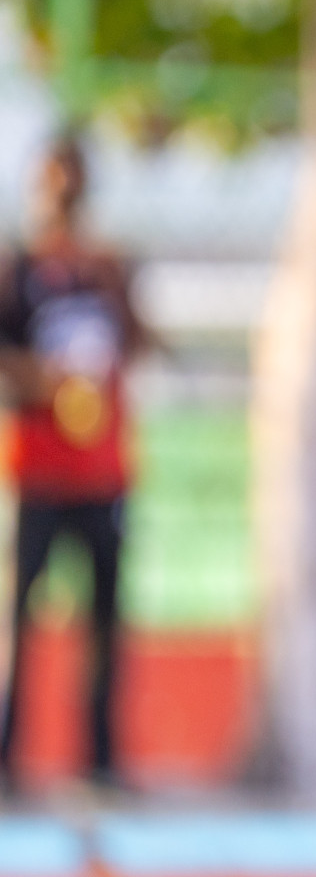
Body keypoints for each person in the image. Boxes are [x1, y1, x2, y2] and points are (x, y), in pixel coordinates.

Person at [0, 133, 149, 794]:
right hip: (37, 473)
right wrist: (50, 380)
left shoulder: (108, 266)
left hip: (103, 473)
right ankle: (7, 759)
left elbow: (140, 342)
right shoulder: (18, 268)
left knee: (106, 625)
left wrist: (123, 291)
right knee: (17, 618)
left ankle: (103, 761)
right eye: (52, 178)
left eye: (73, 176)